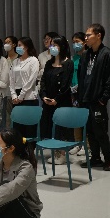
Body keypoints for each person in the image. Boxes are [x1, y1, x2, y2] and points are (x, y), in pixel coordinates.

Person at [77, 23, 110, 171]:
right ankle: (95, 158)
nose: (86, 38)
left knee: (100, 132)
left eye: (89, 35)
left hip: (98, 100)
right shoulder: (85, 54)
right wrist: (80, 97)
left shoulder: (108, 54)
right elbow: (81, 76)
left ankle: (108, 160)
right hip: (85, 99)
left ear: (98, 35)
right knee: (89, 131)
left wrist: (103, 99)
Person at [40, 36, 74, 164]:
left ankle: (62, 153)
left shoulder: (68, 63)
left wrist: (57, 99)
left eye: (55, 45)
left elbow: (66, 85)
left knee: (62, 128)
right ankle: (54, 152)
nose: (52, 47)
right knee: (49, 126)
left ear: (62, 47)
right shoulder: (49, 63)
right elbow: (43, 81)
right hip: (48, 101)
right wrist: (43, 96)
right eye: (51, 45)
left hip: (62, 101)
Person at [9, 37, 40, 137]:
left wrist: (21, 96)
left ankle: (30, 146)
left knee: (29, 128)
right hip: (16, 97)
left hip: (29, 96)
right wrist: (14, 95)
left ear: (26, 47)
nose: (17, 47)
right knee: (17, 128)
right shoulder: (15, 62)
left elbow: (31, 80)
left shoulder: (33, 60)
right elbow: (11, 80)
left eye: (19, 45)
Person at [69, 32, 87, 156]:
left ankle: (87, 145)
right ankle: (77, 143)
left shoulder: (88, 56)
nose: (75, 44)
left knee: (86, 119)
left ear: (84, 42)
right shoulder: (74, 58)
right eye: (73, 42)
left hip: (85, 91)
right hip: (74, 91)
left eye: (77, 41)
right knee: (76, 118)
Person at [3, 35, 19, 125]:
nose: (6, 44)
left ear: (14, 44)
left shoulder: (19, 58)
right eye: (5, 42)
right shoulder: (3, 59)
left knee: (17, 116)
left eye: (8, 42)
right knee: (7, 117)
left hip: (18, 91)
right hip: (6, 91)